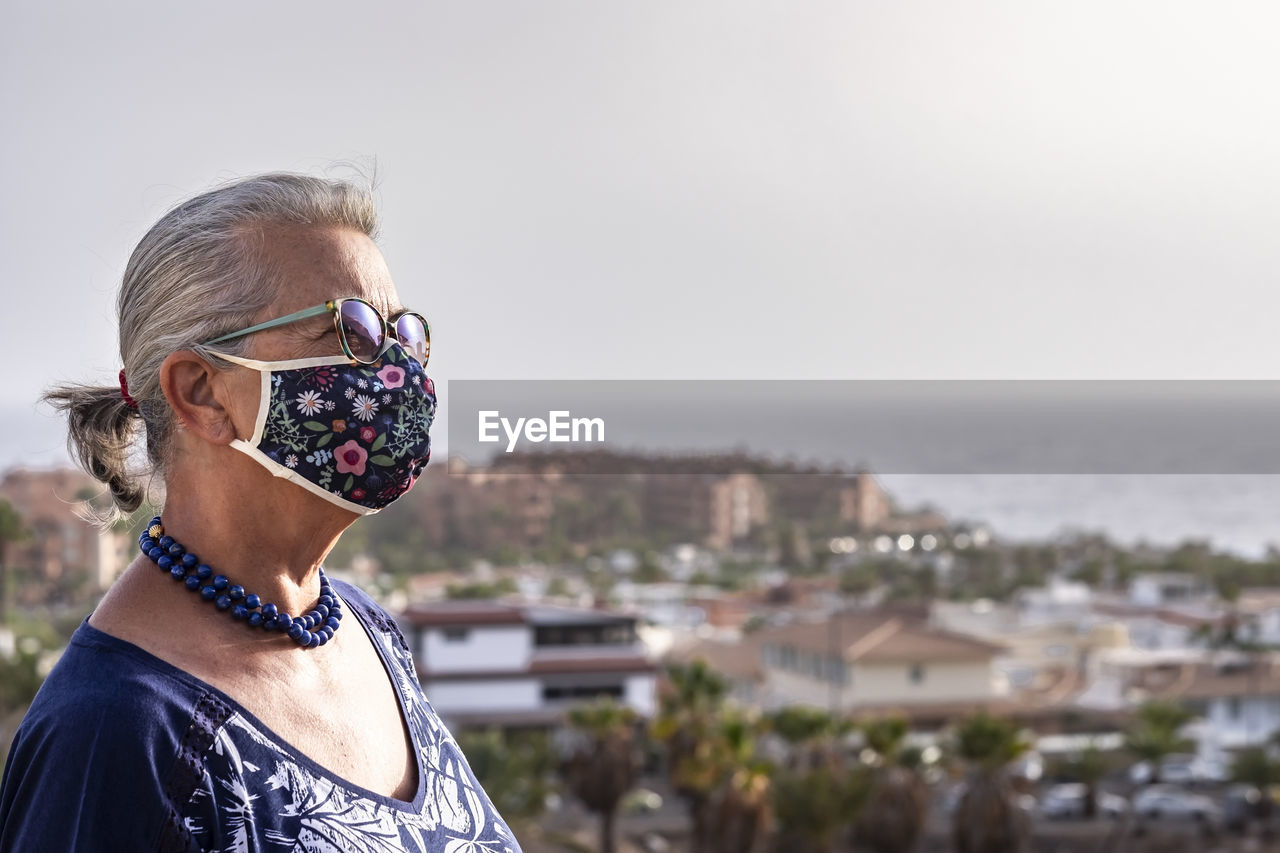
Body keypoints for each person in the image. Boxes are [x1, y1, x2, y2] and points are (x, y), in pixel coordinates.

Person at [0, 173, 522, 852]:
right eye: (353, 331)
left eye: (405, 334)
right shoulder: (114, 732)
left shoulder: (368, 631)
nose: (400, 372)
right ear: (201, 393)